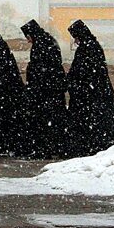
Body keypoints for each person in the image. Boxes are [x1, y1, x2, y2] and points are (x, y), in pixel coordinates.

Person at [66, 19, 114, 156]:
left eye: (75, 37)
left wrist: (72, 81)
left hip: (89, 94)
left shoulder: (87, 48)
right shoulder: (92, 45)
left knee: (91, 122)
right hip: (94, 92)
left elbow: (82, 70)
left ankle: (90, 146)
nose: (75, 41)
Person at [19, 19, 74, 159]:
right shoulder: (47, 41)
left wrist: (33, 86)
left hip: (45, 92)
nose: (28, 40)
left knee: (44, 121)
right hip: (51, 90)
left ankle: (44, 150)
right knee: (53, 120)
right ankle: (54, 148)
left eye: (27, 37)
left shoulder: (41, 44)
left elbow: (41, 69)